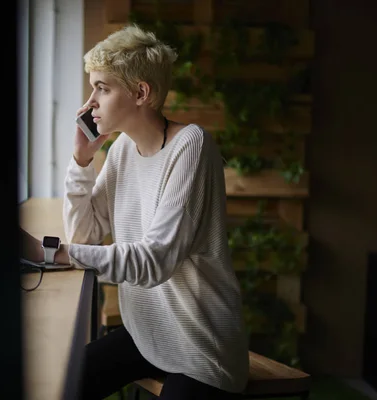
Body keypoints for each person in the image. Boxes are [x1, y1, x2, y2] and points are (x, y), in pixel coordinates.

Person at [20, 24, 249, 399]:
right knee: (58, 385)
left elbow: (155, 262)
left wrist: (48, 252)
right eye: (92, 86)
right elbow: (85, 235)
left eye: (102, 88)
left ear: (141, 92)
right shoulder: (123, 149)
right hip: (148, 335)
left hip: (201, 351)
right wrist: (81, 160)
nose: (89, 101)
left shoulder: (191, 146)